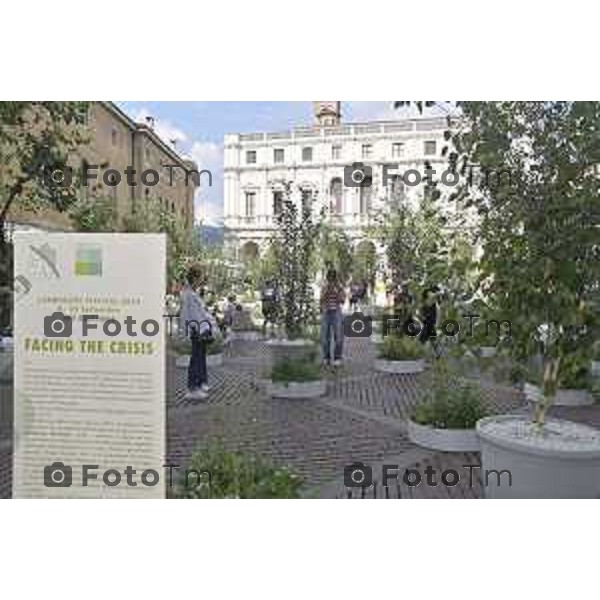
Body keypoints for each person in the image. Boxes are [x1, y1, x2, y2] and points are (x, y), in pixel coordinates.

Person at [179, 265, 217, 401]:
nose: (202, 279)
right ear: (195, 277)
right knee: (196, 358)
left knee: (200, 357)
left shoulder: (193, 293)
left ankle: (200, 383)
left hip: (200, 328)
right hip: (197, 329)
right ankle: (192, 388)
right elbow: (190, 315)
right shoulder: (189, 294)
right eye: (200, 276)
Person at [320, 268, 345, 367]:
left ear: (335, 278)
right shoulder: (324, 287)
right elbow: (321, 300)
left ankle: (337, 357)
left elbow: (342, 300)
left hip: (336, 313)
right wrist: (326, 291)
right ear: (327, 278)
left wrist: (336, 291)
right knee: (324, 338)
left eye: (333, 278)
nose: (331, 280)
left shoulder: (339, 287)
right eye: (329, 278)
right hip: (326, 312)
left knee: (338, 336)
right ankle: (326, 357)